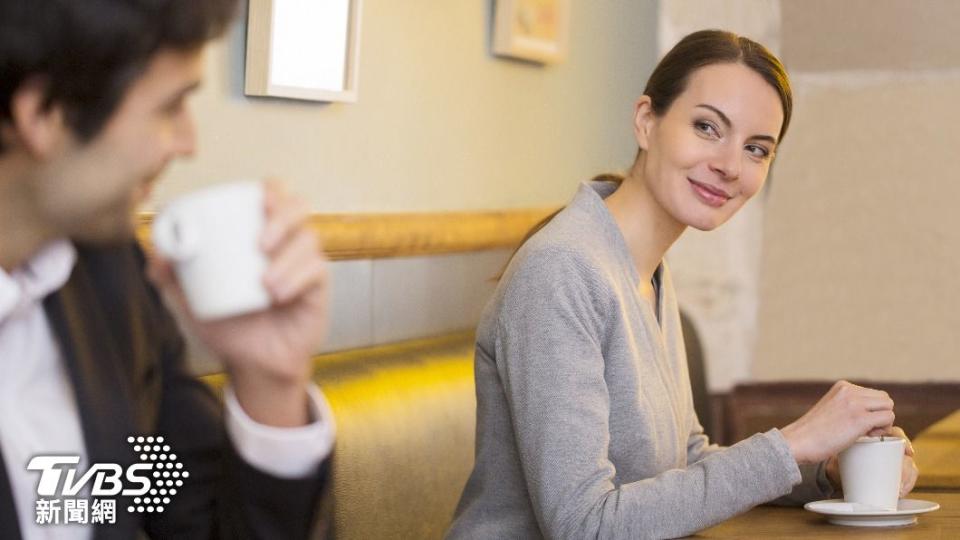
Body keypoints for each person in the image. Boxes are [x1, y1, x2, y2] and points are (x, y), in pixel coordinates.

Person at [447, 29, 919, 539]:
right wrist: (793, 442)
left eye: (757, 149)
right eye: (707, 127)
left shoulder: (644, 269)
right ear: (647, 121)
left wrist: (825, 470)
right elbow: (584, 526)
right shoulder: (562, 270)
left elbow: (685, 459)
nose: (730, 165)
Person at [0, 1, 334, 538]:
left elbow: (187, 515)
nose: (189, 142)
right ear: (43, 113)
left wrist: (271, 385)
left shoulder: (113, 283)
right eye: (170, 106)